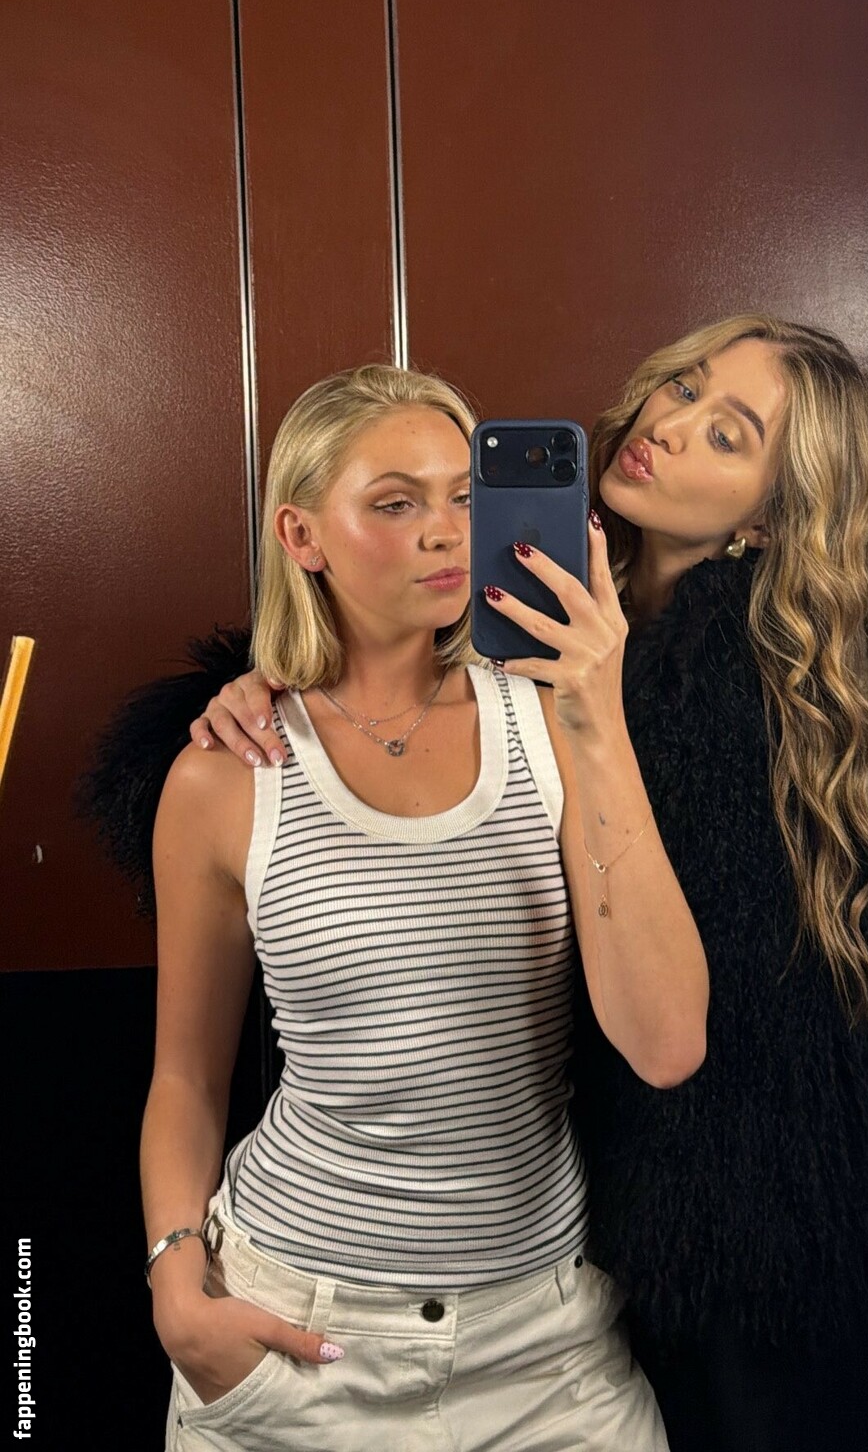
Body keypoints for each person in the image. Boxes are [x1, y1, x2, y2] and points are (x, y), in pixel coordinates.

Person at [198, 318, 868, 1452]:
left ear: (773, 514)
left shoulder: (851, 720)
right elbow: (369, 708)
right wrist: (258, 690)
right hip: (560, 1250)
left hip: (778, 1270)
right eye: (682, 388)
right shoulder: (515, 630)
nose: (669, 426)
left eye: (727, 434)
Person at [143, 361, 707, 1451]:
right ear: (302, 535)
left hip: (544, 1350)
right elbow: (185, 1077)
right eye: (396, 503)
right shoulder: (224, 773)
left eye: (463, 495)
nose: (446, 531)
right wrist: (175, 1280)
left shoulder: (554, 719)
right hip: (296, 1334)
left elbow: (668, 1039)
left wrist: (597, 715)